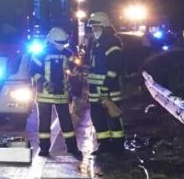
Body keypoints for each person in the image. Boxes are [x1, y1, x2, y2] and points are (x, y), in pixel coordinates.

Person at [29, 27, 84, 160]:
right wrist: (44, 81)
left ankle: (72, 148)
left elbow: (74, 68)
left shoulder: (67, 53)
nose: (61, 47)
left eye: (62, 44)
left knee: (66, 122)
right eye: (58, 44)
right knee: (44, 123)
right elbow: (33, 71)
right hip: (45, 94)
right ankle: (44, 149)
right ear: (51, 41)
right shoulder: (40, 54)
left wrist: (77, 70)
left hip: (61, 93)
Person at [86, 12, 125, 155]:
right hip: (95, 90)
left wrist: (105, 87)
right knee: (98, 119)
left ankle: (118, 148)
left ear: (104, 26)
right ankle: (104, 146)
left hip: (109, 90)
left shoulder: (112, 42)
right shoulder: (96, 42)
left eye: (96, 26)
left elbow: (114, 68)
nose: (94, 29)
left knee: (113, 118)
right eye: (92, 27)